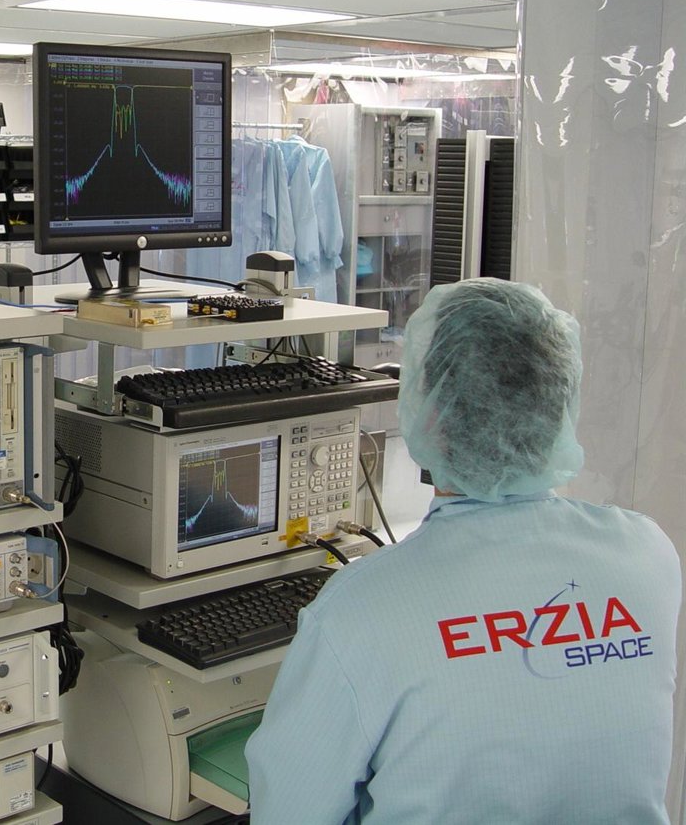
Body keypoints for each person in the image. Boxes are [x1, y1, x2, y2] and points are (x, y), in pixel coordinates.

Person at [245, 278, 680, 824]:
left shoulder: (358, 608)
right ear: (558, 406)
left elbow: (286, 812)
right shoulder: (648, 555)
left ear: (429, 413)